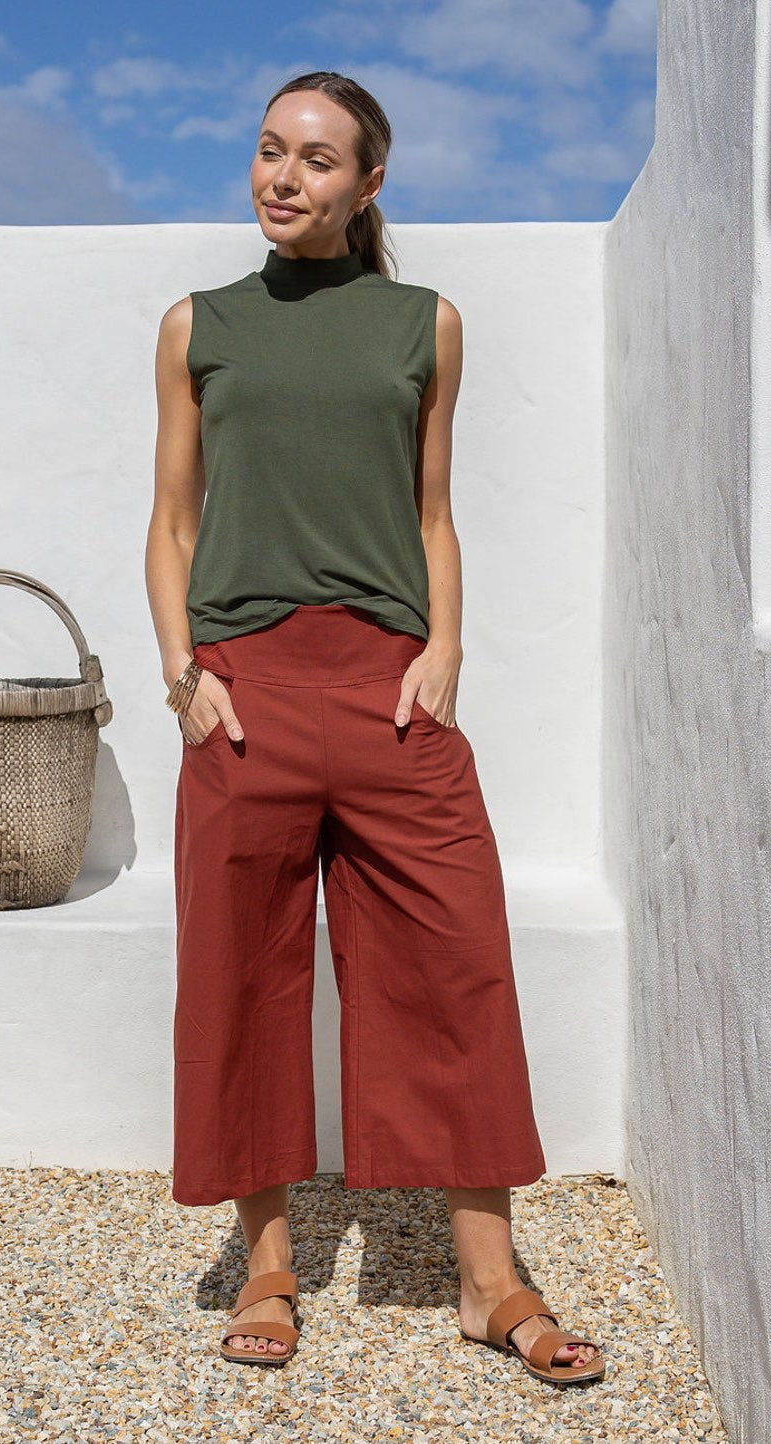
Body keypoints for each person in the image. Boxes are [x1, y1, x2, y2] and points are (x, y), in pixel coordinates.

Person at [145, 71, 606, 1386]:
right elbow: (173, 520)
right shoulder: (199, 327)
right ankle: (272, 1263)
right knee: (240, 975)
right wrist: (186, 675)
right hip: (241, 695)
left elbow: (431, 511)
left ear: (369, 184)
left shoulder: (426, 326)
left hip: (389, 686)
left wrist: (443, 653)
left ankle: (490, 1278)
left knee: (458, 962)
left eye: (317, 160)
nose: (283, 177)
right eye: (269, 152)